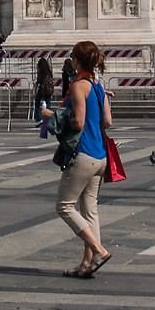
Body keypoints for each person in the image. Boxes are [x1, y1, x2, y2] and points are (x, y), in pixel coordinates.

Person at [52, 38, 113, 278]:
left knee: (64, 206)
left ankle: (98, 250)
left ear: (76, 60)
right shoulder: (98, 86)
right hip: (100, 156)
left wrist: (53, 116)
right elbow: (107, 121)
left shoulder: (79, 86)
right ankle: (87, 265)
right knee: (90, 211)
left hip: (84, 154)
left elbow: (77, 121)